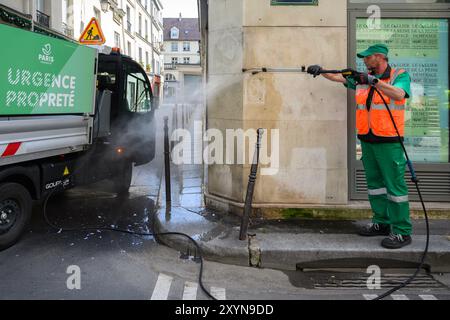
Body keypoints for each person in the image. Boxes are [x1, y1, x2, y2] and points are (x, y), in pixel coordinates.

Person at [307, 44, 413, 249]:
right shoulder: (363, 79)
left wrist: (373, 81)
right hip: (368, 140)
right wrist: (321, 71)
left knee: (395, 188)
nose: (364, 61)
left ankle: (401, 232)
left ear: (380, 57)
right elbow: (339, 78)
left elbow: (400, 94)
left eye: (367, 57)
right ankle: (381, 223)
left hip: (390, 141)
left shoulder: (399, 75)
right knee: (375, 186)